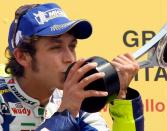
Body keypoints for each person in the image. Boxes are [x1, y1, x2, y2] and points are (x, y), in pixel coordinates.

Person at [0, 3, 144, 131]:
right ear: (22, 56)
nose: (70, 58)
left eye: (72, 46)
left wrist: (121, 98)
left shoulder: (76, 99)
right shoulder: (71, 102)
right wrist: (66, 111)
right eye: (56, 48)